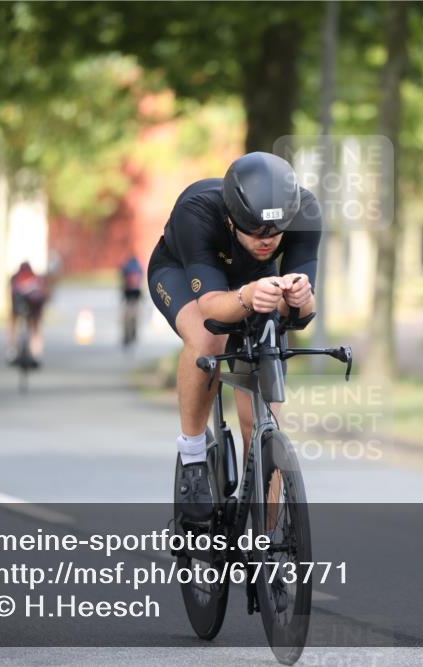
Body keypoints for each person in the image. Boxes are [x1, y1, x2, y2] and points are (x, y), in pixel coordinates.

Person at [147, 152, 321, 520]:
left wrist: (300, 300)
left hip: (256, 283)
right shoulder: (198, 211)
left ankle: (264, 537)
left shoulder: (304, 211)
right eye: (256, 232)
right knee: (209, 340)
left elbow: (300, 314)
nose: (267, 241)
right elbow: (211, 307)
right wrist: (246, 295)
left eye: (275, 233)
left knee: (262, 420)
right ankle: (193, 456)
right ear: (231, 219)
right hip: (183, 275)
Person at [7, 261, 48, 366]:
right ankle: (37, 354)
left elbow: (11, 295)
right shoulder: (36, 279)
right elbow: (43, 295)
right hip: (34, 307)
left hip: (19, 305)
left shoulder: (15, 279)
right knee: (36, 326)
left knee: (13, 322)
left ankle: (12, 350)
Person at [120, 255, 144, 347]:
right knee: (135, 315)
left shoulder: (126, 267)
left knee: (127, 315)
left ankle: (127, 334)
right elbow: (140, 278)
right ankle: (134, 334)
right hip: (136, 293)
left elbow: (122, 277)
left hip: (128, 293)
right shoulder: (138, 267)